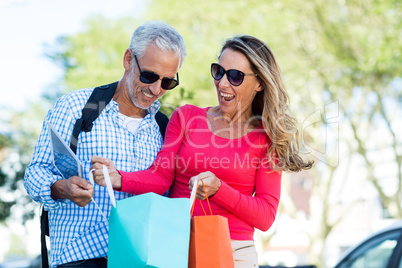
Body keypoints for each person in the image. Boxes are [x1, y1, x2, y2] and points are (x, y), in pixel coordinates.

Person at [91, 35, 313, 268]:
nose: (223, 84)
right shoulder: (186, 117)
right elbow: (161, 177)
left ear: (259, 83)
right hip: (175, 246)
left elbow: (266, 216)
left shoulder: (267, 139)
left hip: (233, 253)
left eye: (235, 76)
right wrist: (119, 178)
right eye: (219, 72)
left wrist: (219, 190)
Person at [23, 20, 186, 268]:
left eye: (167, 82)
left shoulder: (165, 128)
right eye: (149, 75)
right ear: (129, 59)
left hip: (143, 260)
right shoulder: (75, 107)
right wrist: (63, 187)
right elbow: (35, 173)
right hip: (80, 256)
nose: (156, 89)